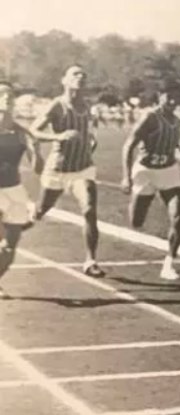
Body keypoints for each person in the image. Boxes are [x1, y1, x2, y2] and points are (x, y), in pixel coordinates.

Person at [29, 65, 105, 278]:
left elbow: (86, 130)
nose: (80, 77)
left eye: (83, 74)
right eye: (75, 74)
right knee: (40, 211)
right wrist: (58, 137)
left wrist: (90, 139)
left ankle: (91, 261)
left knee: (89, 209)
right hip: (58, 169)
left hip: (83, 168)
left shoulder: (87, 106)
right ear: (64, 80)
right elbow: (33, 131)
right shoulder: (57, 105)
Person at [121, 90, 180, 281]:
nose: (172, 101)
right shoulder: (149, 117)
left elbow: (174, 147)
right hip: (145, 171)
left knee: (178, 216)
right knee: (136, 221)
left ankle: (169, 264)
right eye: (168, 97)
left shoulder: (177, 122)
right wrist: (126, 176)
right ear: (159, 97)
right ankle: (135, 203)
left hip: (168, 171)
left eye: (175, 98)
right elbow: (129, 144)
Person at [0, 82, 42, 299]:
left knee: (9, 248)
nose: (6, 98)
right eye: (2, 95)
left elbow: (38, 169)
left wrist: (36, 150)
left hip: (14, 190)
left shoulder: (21, 132)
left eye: (10, 95)